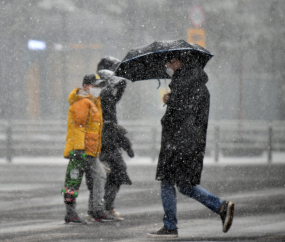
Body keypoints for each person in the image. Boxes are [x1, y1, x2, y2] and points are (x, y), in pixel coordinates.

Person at [147, 54, 234, 238]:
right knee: (185, 185)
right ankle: (220, 206)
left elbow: (178, 115)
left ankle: (170, 226)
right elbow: (191, 110)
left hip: (178, 142)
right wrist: (173, 99)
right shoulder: (197, 84)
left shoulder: (182, 83)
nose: (168, 67)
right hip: (192, 142)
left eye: (169, 63)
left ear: (178, 61)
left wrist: (170, 105)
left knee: (167, 181)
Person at [62, 74, 113, 223]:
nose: (98, 89)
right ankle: (88, 210)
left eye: (99, 86)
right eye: (95, 86)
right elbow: (78, 127)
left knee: (77, 179)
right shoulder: (83, 102)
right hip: (82, 150)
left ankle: (90, 210)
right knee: (75, 179)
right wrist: (79, 150)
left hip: (88, 150)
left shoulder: (92, 102)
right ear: (86, 86)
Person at [96, 57, 134, 221]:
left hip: (108, 141)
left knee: (114, 173)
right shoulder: (99, 96)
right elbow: (105, 123)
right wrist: (124, 141)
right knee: (113, 172)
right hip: (103, 143)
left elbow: (110, 123)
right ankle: (101, 208)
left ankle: (103, 207)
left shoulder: (107, 97)